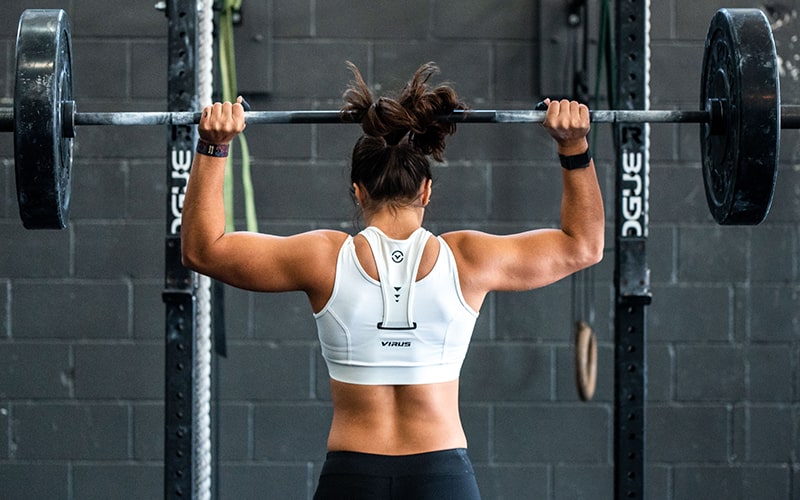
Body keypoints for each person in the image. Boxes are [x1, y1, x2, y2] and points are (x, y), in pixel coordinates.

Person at [181, 62, 604, 500]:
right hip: (442, 477)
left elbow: (202, 250)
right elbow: (583, 246)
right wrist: (574, 146)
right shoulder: (468, 259)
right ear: (426, 191)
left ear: (358, 191)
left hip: (352, 477)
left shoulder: (323, 258)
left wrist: (213, 147)